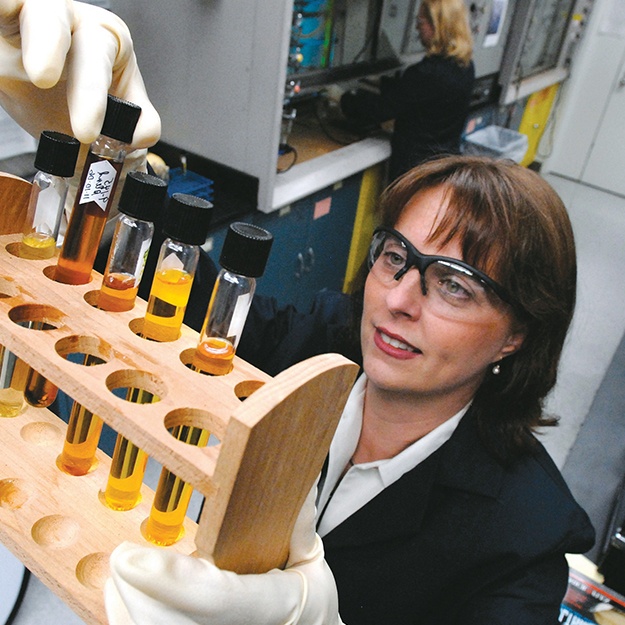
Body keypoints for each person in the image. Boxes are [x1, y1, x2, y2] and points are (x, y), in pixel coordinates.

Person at [0, 3, 595, 624]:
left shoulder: (525, 539)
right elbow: (186, 300)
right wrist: (106, 163)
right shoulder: (323, 341)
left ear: (516, 337)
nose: (397, 299)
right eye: (396, 257)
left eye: (454, 286)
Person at [340, 0, 475, 181]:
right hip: (444, 167)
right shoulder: (465, 66)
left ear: (438, 25)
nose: (418, 29)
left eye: (421, 22)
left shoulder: (427, 74)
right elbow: (417, 96)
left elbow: (379, 110)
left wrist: (343, 98)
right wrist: (384, 83)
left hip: (415, 172)